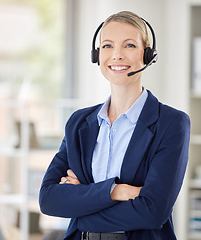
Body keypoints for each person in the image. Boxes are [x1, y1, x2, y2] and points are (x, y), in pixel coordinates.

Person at [39, 11, 190, 240]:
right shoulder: (78, 123)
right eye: (108, 46)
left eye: (129, 45)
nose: (116, 55)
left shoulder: (171, 124)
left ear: (147, 54)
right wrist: (117, 191)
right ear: (97, 55)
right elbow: (49, 199)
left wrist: (80, 205)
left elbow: (153, 211)